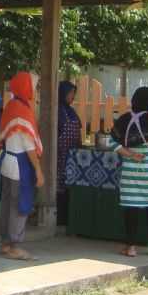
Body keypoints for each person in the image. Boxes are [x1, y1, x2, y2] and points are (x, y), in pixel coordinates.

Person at [107, 86, 148, 257]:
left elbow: (111, 143)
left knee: (131, 210)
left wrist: (131, 154)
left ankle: (131, 248)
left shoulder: (124, 120)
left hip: (130, 172)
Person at [0, 71, 44, 261]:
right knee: (19, 205)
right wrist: (38, 170)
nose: (35, 91)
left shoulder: (11, 106)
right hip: (19, 165)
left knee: (7, 205)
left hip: (7, 161)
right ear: (27, 87)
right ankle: (15, 246)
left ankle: (6, 244)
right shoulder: (22, 110)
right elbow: (29, 146)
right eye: (34, 87)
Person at [56, 80, 82, 225]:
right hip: (59, 157)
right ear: (63, 93)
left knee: (70, 186)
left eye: (74, 93)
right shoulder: (57, 112)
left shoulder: (72, 112)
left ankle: (68, 218)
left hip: (73, 157)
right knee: (59, 186)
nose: (73, 96)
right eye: (70, 92)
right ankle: (59, 218)